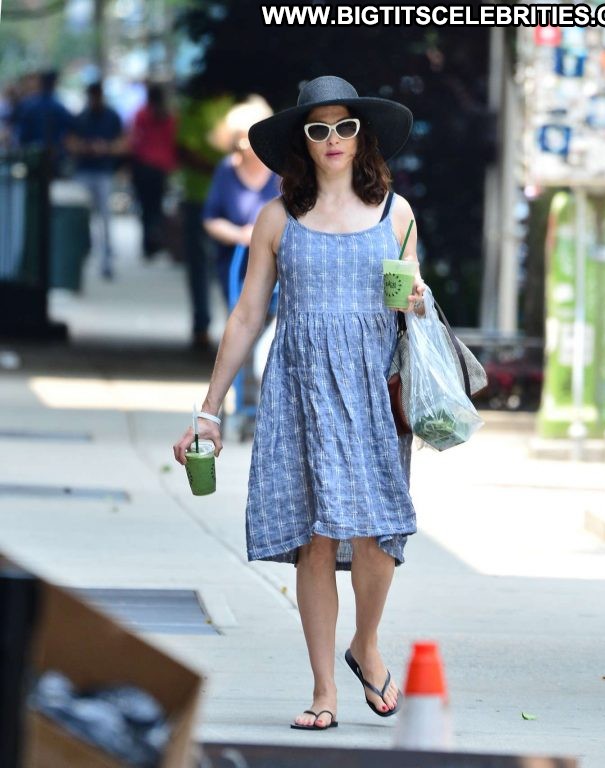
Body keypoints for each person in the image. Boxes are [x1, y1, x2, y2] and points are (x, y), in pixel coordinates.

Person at [173, 76, 425, 731]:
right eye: (319, 129)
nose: (333, 139)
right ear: (302, 142)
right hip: (300, 393)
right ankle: (324, 690)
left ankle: (365, 643)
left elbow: (406, 308)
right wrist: (209, 410)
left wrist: (417, 300)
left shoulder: (395, 214)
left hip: (370, 392)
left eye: (345, 127)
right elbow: (247, 315)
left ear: (362, 136)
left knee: (377, 535)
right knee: (316, 542)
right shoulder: (277, 217)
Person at [202, 96, 280, 309]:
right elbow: (211, 218)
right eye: (240, 142)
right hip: (234, 267)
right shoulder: (226, 169)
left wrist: (265, 237)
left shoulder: (282, 171)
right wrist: (240, 235)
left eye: (251, 140)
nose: (246, 148)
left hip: (277, 270)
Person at [176, 89, 234, 349]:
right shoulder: (195, 107)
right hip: (200, 196)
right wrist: (221, 172)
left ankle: (235, 326)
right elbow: (183, 150)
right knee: (202, 265)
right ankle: (202, 325)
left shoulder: (235, 104)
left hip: (231, 201)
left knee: (233, 267)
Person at [69, 82, 126, 279]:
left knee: (105, 219)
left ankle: (106, 262)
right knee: (81, 219)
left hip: (103, 172)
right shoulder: (81, 117)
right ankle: (81, 259)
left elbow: (123, 143)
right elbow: (70, 143)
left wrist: (106, 148)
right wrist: (86, 147)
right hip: (83, 172)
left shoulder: (112, 117)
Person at [130, 84, 177, 259]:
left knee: (146, 207)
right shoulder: (169, 116)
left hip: (143, 167)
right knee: (156, 207)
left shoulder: (142, 114)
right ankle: (156, 242)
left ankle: (149, 244)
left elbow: (135, 140)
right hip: (160, 168)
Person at [14, 70, 75, 175]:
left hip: (32, 155)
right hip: (53, 155)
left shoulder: (28, 105)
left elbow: (21, 134)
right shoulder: (59, 107)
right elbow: (69, 131)